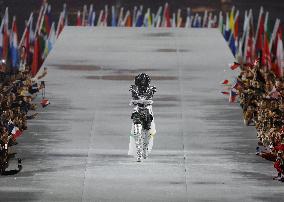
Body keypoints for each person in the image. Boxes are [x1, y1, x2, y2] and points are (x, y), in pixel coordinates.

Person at [128, 73, 157, 162]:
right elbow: (133, 100)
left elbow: (150, 99)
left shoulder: (151, 89)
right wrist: (135, 102)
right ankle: (139, 152)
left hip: (147, 111)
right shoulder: (134, 88)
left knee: (147, 132)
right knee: (137, 132)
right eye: (141, 82)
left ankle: (144, 149)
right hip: (137, 110)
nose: (142, 83)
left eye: (144, 82)